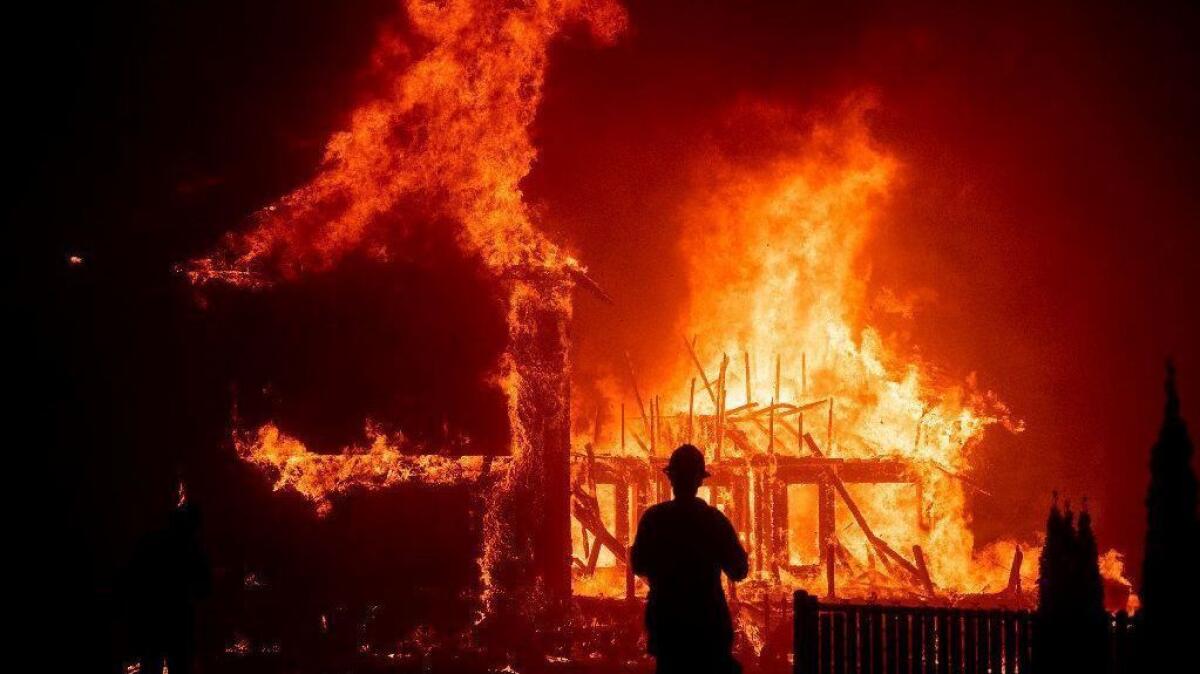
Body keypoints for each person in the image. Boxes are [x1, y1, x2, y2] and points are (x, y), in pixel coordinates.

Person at [631, 444, 749, 674]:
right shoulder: (714, 521)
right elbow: (738, 570)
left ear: (670, 479)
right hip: (708, 627)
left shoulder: (653, 519)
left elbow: (638, 564)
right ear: (700, 481)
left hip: (667, 628)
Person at [126, 502, 211, 674]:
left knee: (153, 663)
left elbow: (134, 577)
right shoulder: (193, 549)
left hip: (155, 619)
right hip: (176, 620)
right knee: (175, 664)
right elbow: (204, 588)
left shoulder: (152, 542)